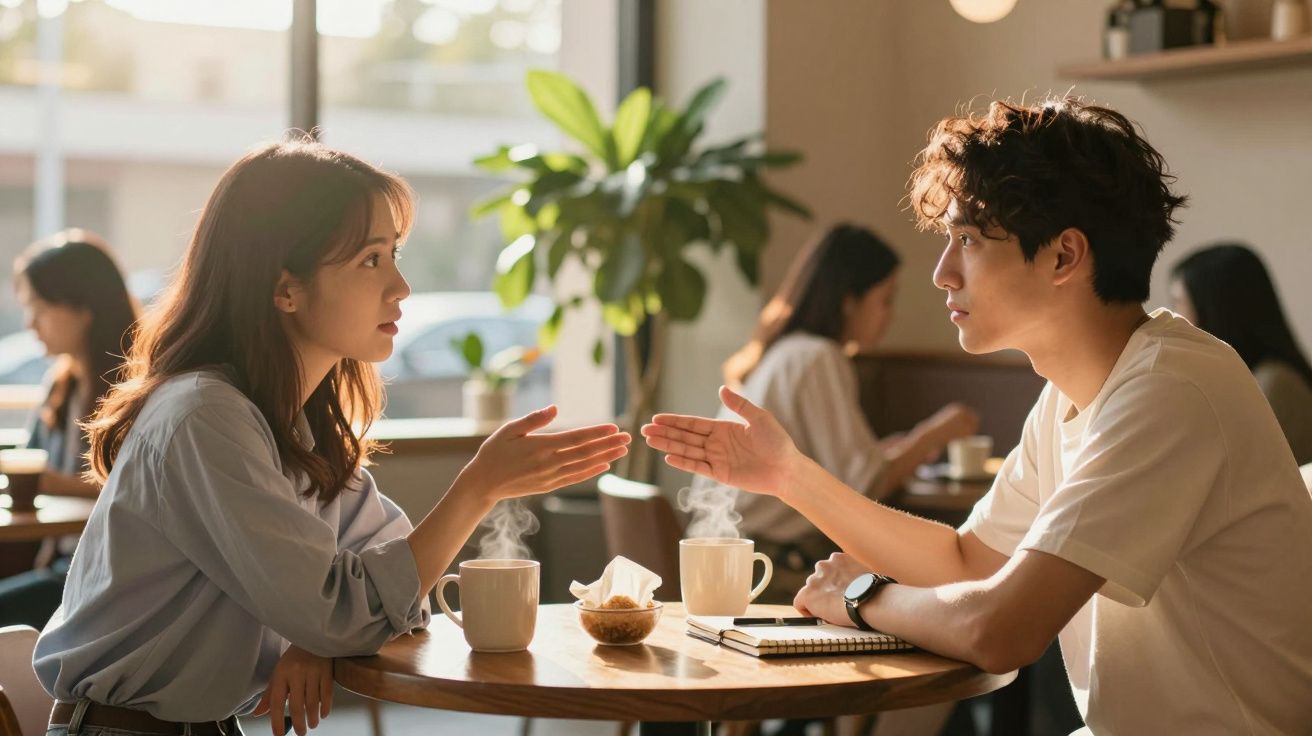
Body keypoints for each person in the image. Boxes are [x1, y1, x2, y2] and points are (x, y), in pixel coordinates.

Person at [644, 98, 1312, 734]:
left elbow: (999, 629)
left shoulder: (1171, 391)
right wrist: (790, 476)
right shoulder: (1073, 394)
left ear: (1064, 255)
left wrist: (861, 596)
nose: (941, 273)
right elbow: (967, 562)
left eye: (966, 239)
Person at [33, 140, 630, 736]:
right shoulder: (205, 417)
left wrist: (315, 636)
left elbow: (390, 579)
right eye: (371, 260)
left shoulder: (284, 422)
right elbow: (355, 603)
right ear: (285, 288)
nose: (400, 286)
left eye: (393, 254)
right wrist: (477, 488)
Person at [701, 223, 977, 580]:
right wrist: (935, 434)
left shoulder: (790, 350)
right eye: (885, 300)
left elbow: (842, 469)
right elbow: (864, 485)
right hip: (770, 566)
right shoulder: (818, 357)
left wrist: (891, 451)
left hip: (729, 552)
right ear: (849, 302)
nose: (889, 316)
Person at [0, 230, 138, 629]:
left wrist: (52, 483)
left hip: (99, 578)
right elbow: (28, 469)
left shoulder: (131, 391)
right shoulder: (60, 387)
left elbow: (135, 491)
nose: (30, 323)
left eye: (39, 307)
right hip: (55, 563)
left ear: (84, 307)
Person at [1170, 242, 1312, 465]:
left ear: (1216, 308)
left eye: (1179, 303)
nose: (1174, 318)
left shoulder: (1273, 385)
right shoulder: (1252, 380)